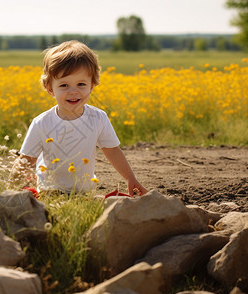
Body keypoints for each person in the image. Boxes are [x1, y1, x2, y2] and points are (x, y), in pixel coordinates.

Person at [10, 40, 147, 196]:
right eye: (64, 85)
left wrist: (130, 178)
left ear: (92, 85)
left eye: (81, 84)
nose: (73, 92)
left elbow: (113, 151)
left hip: (84, 191)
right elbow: (26, 160)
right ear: (50, 89)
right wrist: (9, 190)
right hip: (49, 190)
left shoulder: (98, 118)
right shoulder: (42, 123)